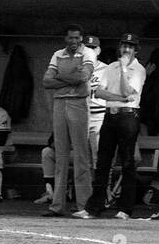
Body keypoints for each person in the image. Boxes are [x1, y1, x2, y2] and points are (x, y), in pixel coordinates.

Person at [86, 33, 147, 219]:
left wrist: (122, 69)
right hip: (110, 115)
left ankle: (125, 208)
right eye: (124, 45)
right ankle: (95, 207)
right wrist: (120, 98)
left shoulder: (139, 69)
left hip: (128, 116)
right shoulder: (110, 66)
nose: (126, 49)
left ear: (136, 49)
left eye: (130, 46)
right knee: (103, 162)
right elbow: (100, 92)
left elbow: (130, 91)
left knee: (127, 162)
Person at [42, 24, 94, 218]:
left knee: (81, 156)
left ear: (81, 38)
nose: (74, 41)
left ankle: (84, 206)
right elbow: (46, 81)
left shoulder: (88, 53)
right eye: (70, 38)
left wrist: (61, 78)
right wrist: (71, 78)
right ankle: (57, 205)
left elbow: (84, 76)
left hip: (79, 103)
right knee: (60, 156)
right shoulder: (58, 54)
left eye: (77, 38)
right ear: (66, 38)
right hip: (60, 104)